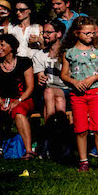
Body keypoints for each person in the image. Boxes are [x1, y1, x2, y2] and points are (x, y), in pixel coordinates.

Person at [61, 16, 98, 172]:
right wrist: (74, 82)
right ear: (76, 33)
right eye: (87, 33)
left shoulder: (97, 51)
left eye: (92, 33)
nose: (91, 36)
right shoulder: (69, 53)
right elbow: (64, 74)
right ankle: (83, 161)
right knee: (81, 128)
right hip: (77, 95)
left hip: (95, 93)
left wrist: (93, 78)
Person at [0, 34, 36, 161]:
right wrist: (2, 103)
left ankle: (28, 150)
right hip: (2, 100)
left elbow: (30, 87)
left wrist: (18, 101)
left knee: (19, 111)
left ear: (11, 47)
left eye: (2, 45)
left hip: (23, 98)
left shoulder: (24, 62)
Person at [33, 19, 71, 159]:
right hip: (49, 94)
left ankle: (48, 141)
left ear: (59, 34)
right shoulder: (39, 55)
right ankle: (63, 143)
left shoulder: (69, 53)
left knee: (54, 94)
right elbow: (40, 77)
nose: (45, 35)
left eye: (49, 32)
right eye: (44, 33)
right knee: (55, 98)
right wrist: (40, 78)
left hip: (68, 90)